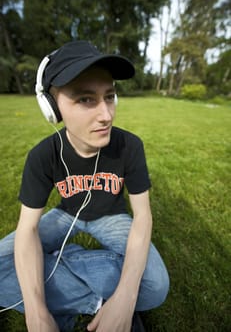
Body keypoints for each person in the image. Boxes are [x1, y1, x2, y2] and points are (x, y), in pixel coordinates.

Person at [0, 40, 169, 332]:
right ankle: (100, 296)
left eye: (110, 96)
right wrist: (37, 315)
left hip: (112, 218)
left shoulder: (129, 146)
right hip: (66, 214)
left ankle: (63, 268)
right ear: (52, 108)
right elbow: (27, 229)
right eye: (86, 99)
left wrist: (127, 297)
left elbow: (143, 216)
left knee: (155, 286)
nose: (106, 115)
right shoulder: (43, 156)